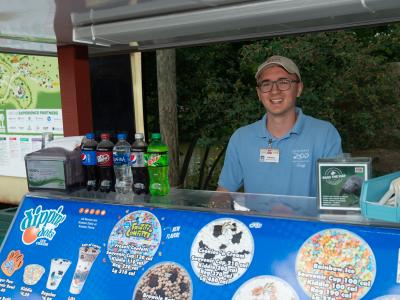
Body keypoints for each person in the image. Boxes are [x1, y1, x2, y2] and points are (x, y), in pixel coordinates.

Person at [217, 55, 342, 197]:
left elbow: (336, 196)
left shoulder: (325, 134)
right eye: (266, 84)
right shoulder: (241, 138)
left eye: (283, 82)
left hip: (306, 220)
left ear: (299, 88)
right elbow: (223, 194)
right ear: (259, 93)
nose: (274, 91)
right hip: (257, 220)